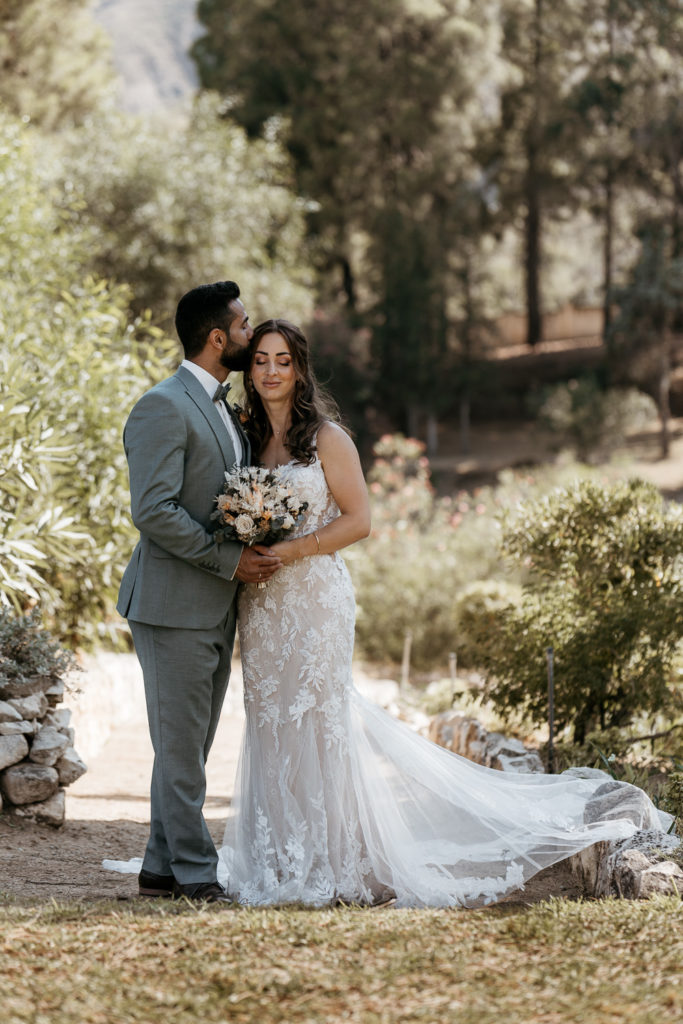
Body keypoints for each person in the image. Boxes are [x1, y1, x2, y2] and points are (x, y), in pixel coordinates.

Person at [216, 318, 673, 908]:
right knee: (271, 719)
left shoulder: (326, 438)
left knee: (320, 720)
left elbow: (359, 520)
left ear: (299, 368)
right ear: (249, 371)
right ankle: (280, 857)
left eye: (282, 360)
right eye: (260, 361)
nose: (271, 371)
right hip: (263, 604)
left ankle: (335, 862)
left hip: (314, 597)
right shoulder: (247, 439)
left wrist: (293, 548)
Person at [116, 281, 282, 904]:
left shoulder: (220, 403)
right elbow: (153, 510)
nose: (249, 333)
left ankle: (160, 866)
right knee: (184, 752)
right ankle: (194, 872)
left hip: (213, 605)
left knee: (189, 747)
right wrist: (227, 559)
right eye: (242, 328)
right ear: (218, 338)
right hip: (171, 606)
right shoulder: (162, 405)